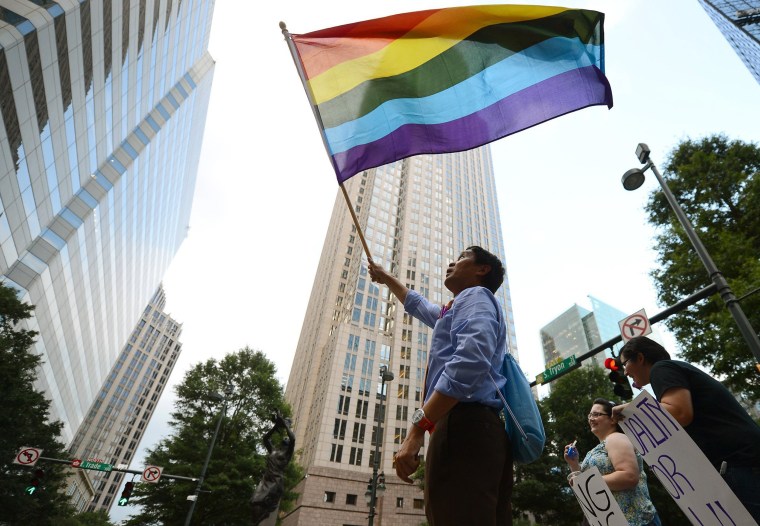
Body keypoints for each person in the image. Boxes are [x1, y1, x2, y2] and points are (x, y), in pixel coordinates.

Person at [368, 246, 512, 526]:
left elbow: (469, 362)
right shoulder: (456, 309)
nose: (451, 262)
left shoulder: (475, 296)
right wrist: (386, 277)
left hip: (463, 425)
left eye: (461, 258)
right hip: (476, 429)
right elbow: (417, 304)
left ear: (482, 270)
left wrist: (417, 430)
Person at [611, 336, 760, 522]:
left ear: (640, 358)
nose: (624, 372)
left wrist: (631, 409)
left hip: (738, 464)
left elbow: (680, 412)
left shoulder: (661, 369)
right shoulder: (673, 370)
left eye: (624, 364)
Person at [564, 398, 661, 526]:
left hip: (636, 521)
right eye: (590, 415)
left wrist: (587, 482)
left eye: (597, 414)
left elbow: (629, 476)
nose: (591, 419)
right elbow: (584, 488)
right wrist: (574, 464)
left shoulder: (616, 438)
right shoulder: (599, 447)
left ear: (612, 419)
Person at [251, 412, 296, 525]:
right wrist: (276, 426)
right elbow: (265, 438)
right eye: (284, 437)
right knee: (253, 500)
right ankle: (258, 520)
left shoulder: (287, 453)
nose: (286, 438)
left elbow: (293, 439)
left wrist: (286, 425)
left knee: (259, 500)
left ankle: (261, 519)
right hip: (266, 479)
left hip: (276, 481)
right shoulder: (274, 450)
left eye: (287, 438)